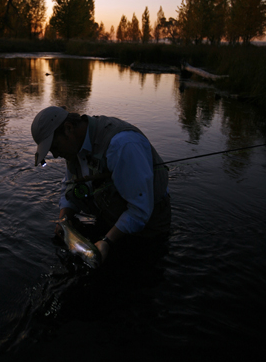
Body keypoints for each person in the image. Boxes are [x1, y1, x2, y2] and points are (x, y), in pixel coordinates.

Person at [31, 106, 170, 264]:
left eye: (54, 147)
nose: (55, 155)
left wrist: (107, 241)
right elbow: (67, 186)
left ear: (68, 128)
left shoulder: (122, 145)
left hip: (148, 229)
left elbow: (140, 210)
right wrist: (64, 220)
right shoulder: (74, 147)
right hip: (110, 219)